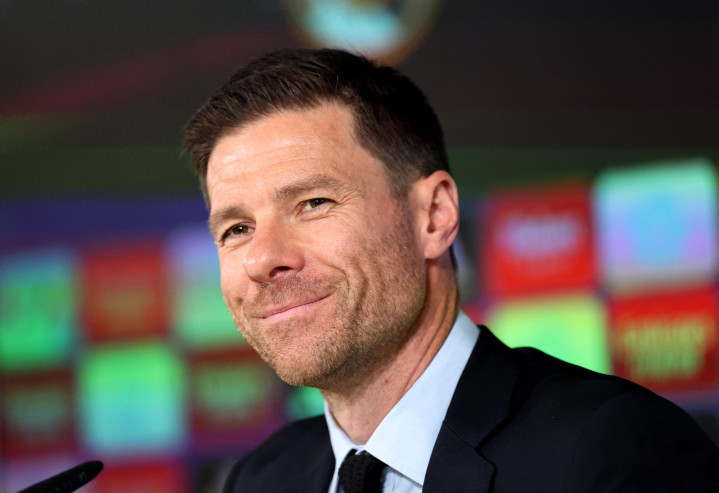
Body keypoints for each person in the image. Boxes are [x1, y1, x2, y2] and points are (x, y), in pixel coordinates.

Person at [182, 48, 719, 493]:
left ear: (434, 216)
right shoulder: (260, 479)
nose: (261, 259)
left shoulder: (608, 450)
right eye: (237, 229)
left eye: (314, 203)